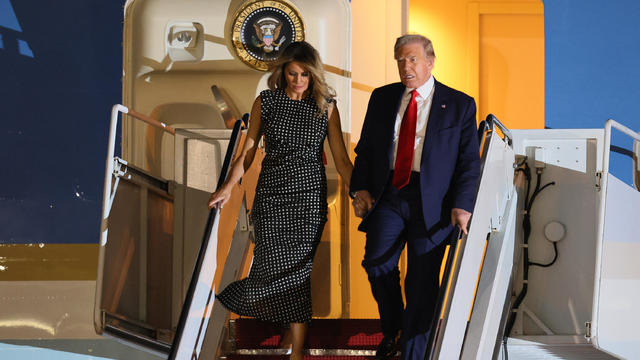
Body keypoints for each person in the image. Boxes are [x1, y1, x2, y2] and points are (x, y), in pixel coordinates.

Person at [208, 41, 353, 360]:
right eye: (292, 73)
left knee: (298, 273)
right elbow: (246, 152)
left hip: (308, 201)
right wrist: (228, 187)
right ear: (283, 73)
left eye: (304, 74)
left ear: (313, 74)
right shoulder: (267, 102)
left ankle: (296, 350)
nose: (298, 79)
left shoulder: (326, 106)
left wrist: (362, 194)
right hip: (272, 197)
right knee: (269, 267)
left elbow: (341, 160)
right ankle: (229, 312)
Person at [350, 34, 480, 360]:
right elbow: (365, 150)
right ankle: (395, 328)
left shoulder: (460, 104)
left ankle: (412, 353)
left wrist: (463, 206)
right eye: (400, 60)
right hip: (391, 194)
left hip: (433, 202)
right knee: (377, 262)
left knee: (422, 282)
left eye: (412, 59)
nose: (405, 66)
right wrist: (360, 189)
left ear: (430, 62)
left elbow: (468, 162)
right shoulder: (382, 98)